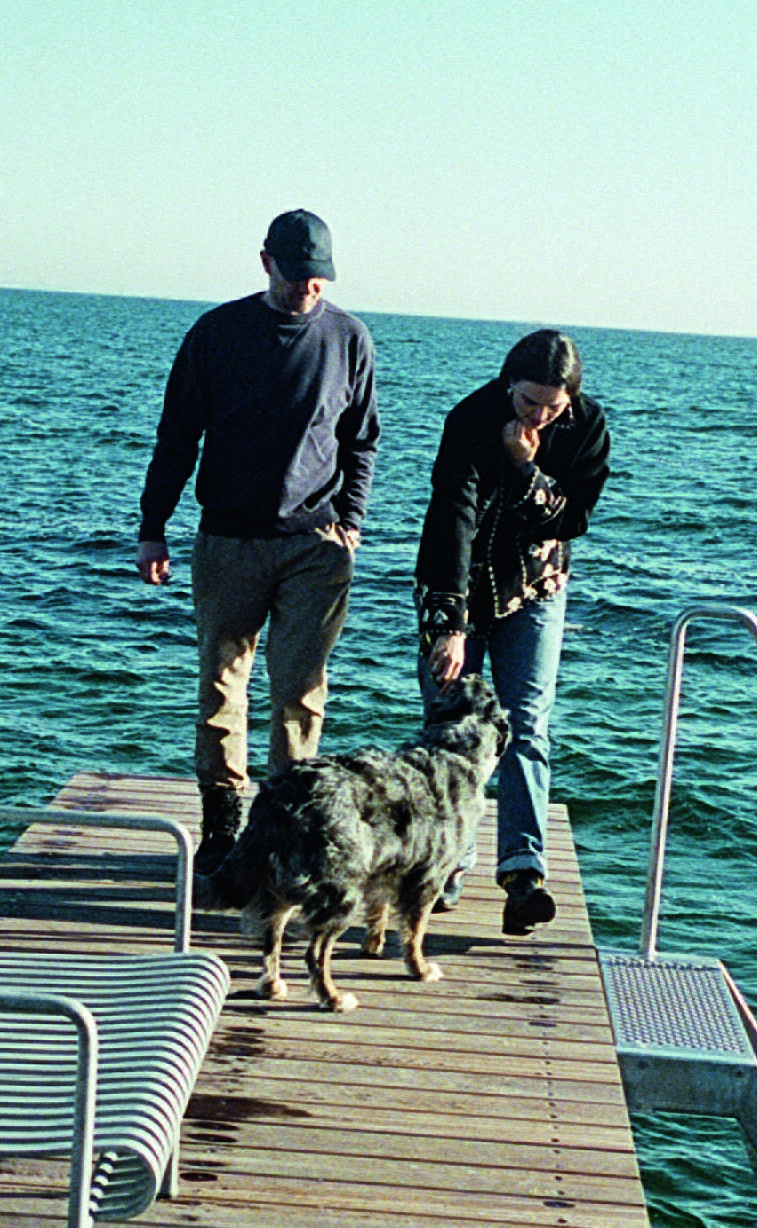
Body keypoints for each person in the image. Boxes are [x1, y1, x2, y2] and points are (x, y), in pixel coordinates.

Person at [136, 210, 380, 865]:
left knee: (300, 688)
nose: (309, 288)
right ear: (266, 261)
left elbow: (360, 440)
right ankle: (221, 824)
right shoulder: (217, 334)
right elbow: (176, 436)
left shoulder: (349, 339)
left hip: (316, 544)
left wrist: (350, 522)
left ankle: (285, 824)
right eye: (298, 275)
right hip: (228, 539)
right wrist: (152, 529)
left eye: (319, 279)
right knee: (221, 680)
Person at [414, 329, 611, 933]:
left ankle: (523, 874)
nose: (541, 415)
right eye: (529, 403)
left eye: (554, 407)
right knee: (451, 725)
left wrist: (527, 467)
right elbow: (454, 513)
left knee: (526, 723)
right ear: (509, 385)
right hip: (457, 585)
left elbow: (572, 518)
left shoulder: (585, 428)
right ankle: (444, 865)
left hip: (535, 589)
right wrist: (451, 623)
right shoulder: (471, 418)